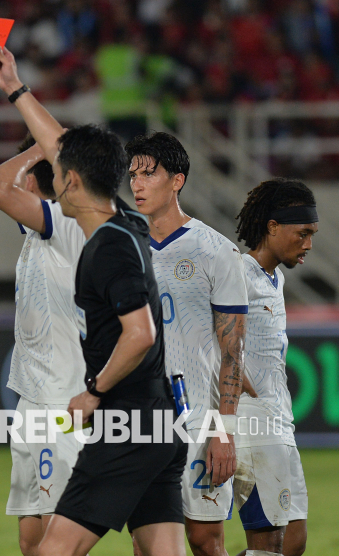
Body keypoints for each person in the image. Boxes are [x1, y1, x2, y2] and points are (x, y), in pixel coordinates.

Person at [0, 45, 187, 556]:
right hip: (158, 420)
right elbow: (62, 148)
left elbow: (139, 333)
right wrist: (15, 88)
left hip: (122, 418)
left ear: (69, 180)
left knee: (53, 549)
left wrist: (94, 390)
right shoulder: (128, 225)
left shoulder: (100, 243)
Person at [125, 132, 248, 556]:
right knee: (148, 543)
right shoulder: (124, 247)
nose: (136, 185)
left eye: (148, 174)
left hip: (200, 418)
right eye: (132, 175)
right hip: (141, 420)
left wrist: (225, 431)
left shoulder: (216, 251)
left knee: (204, 540)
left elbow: (232, 351)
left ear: (177, 180)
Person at [0, 134, 86, 556]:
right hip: (32, 400)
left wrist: (41, 148)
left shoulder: (65, 224)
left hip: (62, 401)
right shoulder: (37, 231)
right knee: (30, 539)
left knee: (56, 540)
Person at [232, 178, 317, 556]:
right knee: (268, 542)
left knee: (293, 539)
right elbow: (201, 332)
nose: (308, 244)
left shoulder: (275, 278)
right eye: (302, 233)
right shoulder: (236, 273)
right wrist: (232, 372)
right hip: (251, 423)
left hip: (278, 419)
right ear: (272, 227)